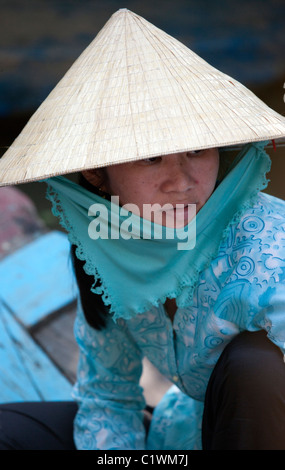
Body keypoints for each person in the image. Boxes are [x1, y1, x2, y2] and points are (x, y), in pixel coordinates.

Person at [0, 9, 285, 451]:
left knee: (258, 365)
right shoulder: (104, 247)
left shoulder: (269, 246)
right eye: (151, 158)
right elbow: (108, 395)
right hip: (178, 432)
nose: (182, 180)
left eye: (196, 150)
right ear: (97, 175)